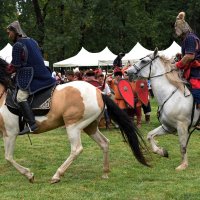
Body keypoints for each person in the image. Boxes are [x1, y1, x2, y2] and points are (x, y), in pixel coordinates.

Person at [6, 21, 56, 135]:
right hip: (44, 74)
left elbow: (16, 65)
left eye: (9, 33)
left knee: (20, 97)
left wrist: (8, 70)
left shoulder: (18, 45)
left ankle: (32, 124)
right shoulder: (33, 41)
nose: (9, 36)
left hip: (31, 77)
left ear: (15, 31)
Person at [175, 12, 200, 110]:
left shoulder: (189, 38)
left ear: (181, 28)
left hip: (196, 72)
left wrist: (177, 65)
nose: (175, 29)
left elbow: (190, 56)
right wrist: (181, 57)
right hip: (193, 71)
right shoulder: (189, 38)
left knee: (196, 93)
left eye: (176, 27)